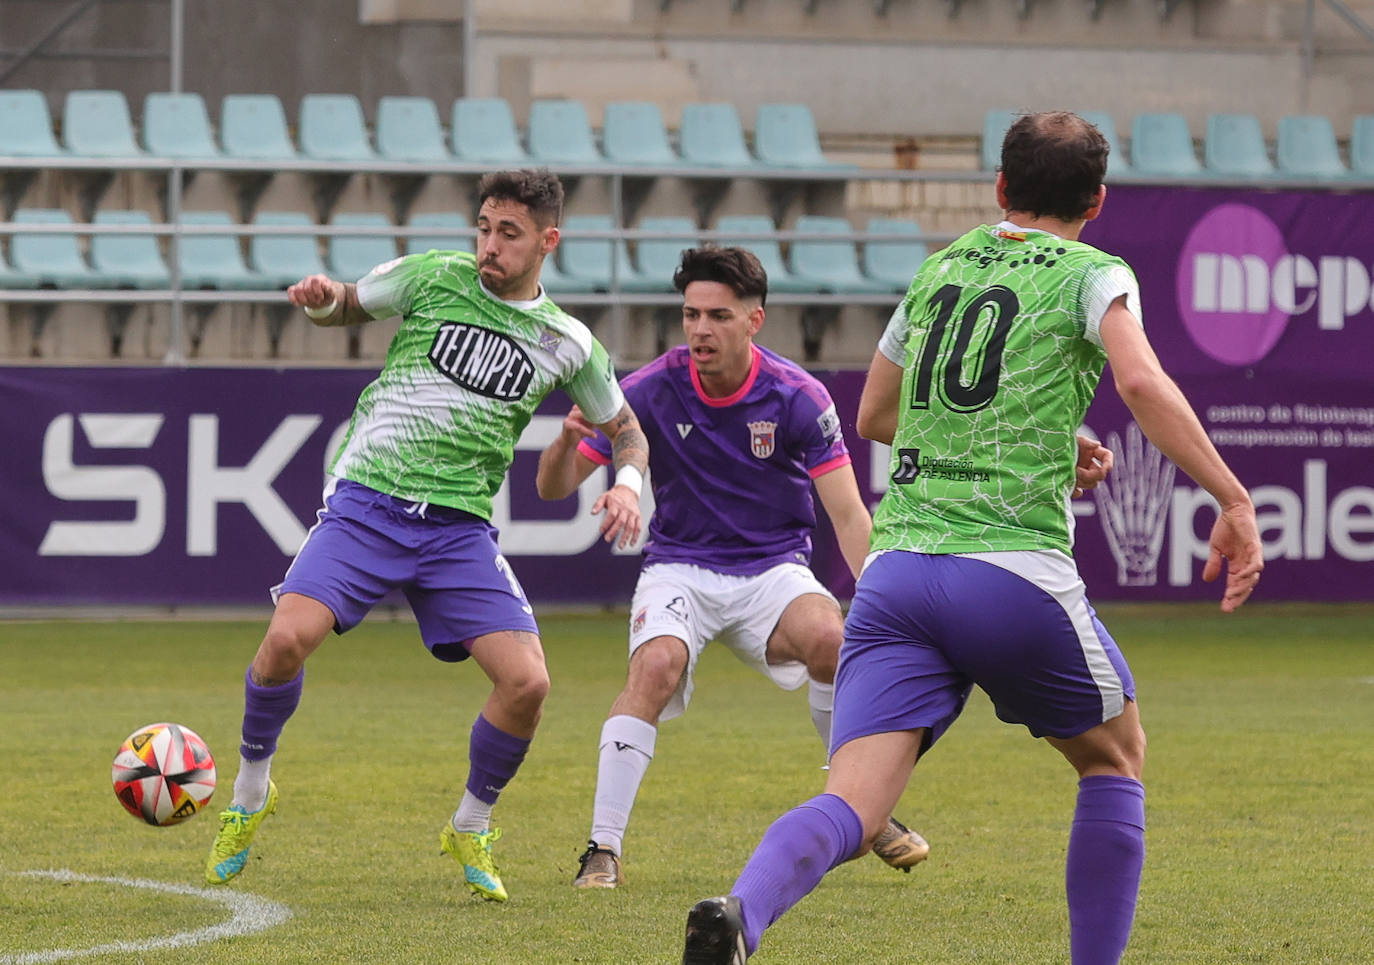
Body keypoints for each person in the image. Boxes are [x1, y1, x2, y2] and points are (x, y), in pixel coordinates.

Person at [680, 111, 1264, 964]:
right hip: (1010, 575)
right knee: (1115, 758)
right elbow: (1139, 378)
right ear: (1097, 200)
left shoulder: (938, 268)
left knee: (858, 803)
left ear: (999, 189)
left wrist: (1050, 442)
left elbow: (877, 413)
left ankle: (741, 914)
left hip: (898, 575)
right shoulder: (1093, 272)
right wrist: (1233, 497)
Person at [535, 245, 1110, 890]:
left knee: (836, 643)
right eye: (691, 314)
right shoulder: (648, 390)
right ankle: (602, 850)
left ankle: (863, 805)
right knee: (656, 665)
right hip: (680, 568)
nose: (700, 330)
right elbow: (554, 488)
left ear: (754, 320)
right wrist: (563, 440)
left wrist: (878, 593)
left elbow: (847, 515)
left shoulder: (797, 397)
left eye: (718, 316)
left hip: (772, 571)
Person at [202, 169, 649, 904]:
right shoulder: (434, 276)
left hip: (457, 529)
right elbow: (349, 305)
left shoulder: (567, 341)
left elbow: (626, 431)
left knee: (528, 682)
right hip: (369, 502)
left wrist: (626, 485)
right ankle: (251, 790)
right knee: (285, 641)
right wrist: (321, 304)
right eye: (483, 226)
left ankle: (470, 823)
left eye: (508, 232)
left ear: (548, 240)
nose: (489, 245)